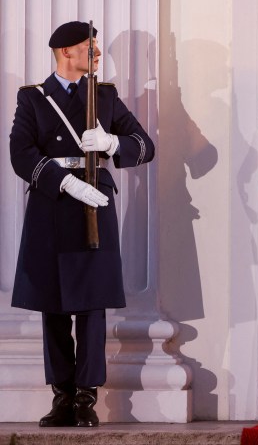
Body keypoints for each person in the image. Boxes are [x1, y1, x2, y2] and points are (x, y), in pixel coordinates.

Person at [9, 21, 155, 428]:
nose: (95, 52)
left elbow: (145, 145)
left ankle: (87, 398)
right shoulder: (35, 99)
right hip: (52, 206)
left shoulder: (103, 96)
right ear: (65, 53)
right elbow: (21, 154)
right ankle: (62, 396)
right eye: (88, 47)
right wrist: (65, 181)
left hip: (96, 204)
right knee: (52, 306)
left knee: (91, 305)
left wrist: (112, 143)